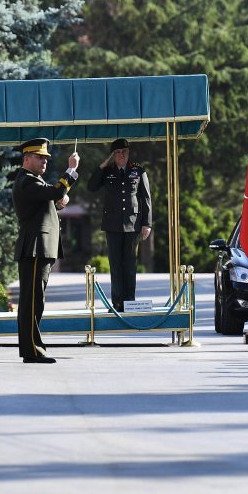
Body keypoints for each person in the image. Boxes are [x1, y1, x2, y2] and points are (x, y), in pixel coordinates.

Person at [12, 138, 80, 364]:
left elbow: (49, 198)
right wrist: (71, 168)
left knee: (36, 300)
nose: (44, 161)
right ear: (27, 159)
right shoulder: (26, 181)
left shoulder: (34, 181)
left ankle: (34, 348)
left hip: (40, 249)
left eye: (46, 158)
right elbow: (54, 190)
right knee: (32, 301)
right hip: (34, 248)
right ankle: (32, 350)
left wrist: (58, 203)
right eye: (40, 157)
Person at [87, 138, 152, 312]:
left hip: (132, 224)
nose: (121, 155)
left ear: (128, 153)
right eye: (117, 153)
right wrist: (101, 167)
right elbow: (91, 186)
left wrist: (147, 223)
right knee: (115, 265)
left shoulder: (138, 170)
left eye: (123, 152)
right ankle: (117, 303)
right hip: (112, 225)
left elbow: (145, 198)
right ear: (112, 155)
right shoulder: (107, 171)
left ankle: (130, 301)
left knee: (129, 265)